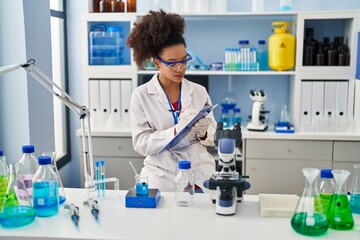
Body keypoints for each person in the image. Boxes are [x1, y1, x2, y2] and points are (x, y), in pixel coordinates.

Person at [127, 10, 216, 192]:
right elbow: (141, 143)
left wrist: (205, 132)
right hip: (161, 176)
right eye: (172, 62)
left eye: (184, 60)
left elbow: (211, 138)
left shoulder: (199, 91)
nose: (180, 68)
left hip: (199, 175)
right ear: (156, 62)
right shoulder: (141, 95)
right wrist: (175, 130)